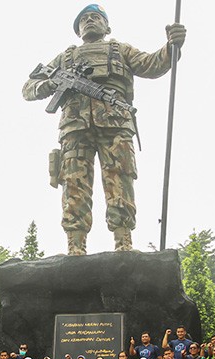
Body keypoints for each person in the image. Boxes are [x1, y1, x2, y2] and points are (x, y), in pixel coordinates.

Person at [23, 4, 187, 254]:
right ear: (78, 30)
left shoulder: (120, 50)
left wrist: (171, 46)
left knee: (120, 180)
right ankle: (75, 247)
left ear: (107, 26)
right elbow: (28, 87)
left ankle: (123, 242)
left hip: (115, 124)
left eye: (96, 17)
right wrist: (50, 84)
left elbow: (152, 65)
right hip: (74, 127)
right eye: (84, 19)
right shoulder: (65, 58)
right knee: (74, 185)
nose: (89, 21)